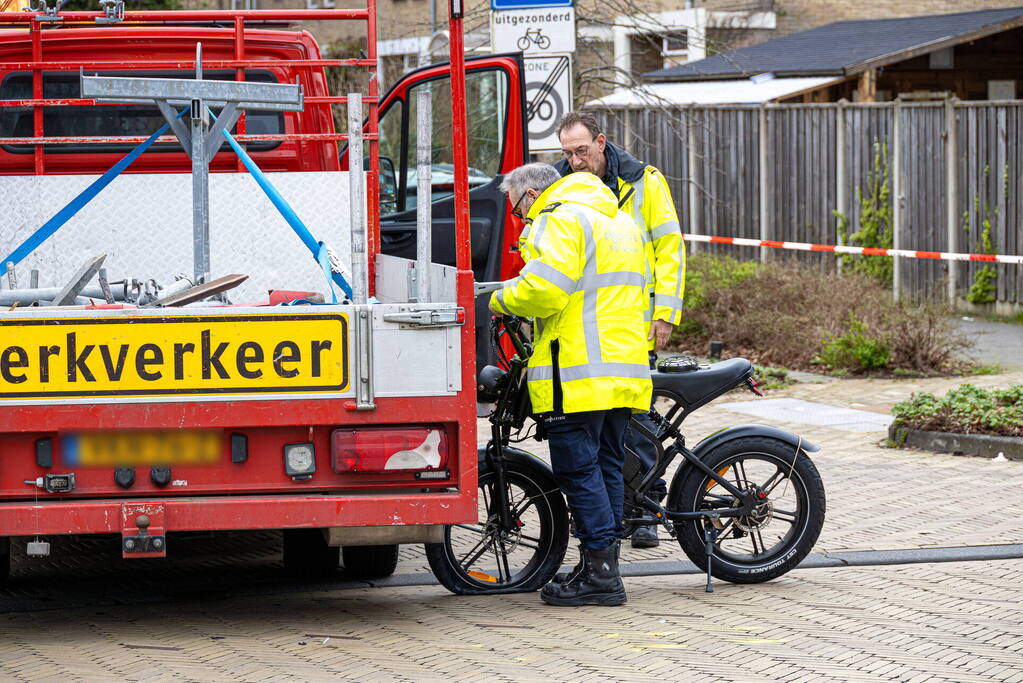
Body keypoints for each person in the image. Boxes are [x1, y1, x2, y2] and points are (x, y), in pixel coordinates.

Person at [490, 163, 651, 607]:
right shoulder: (617, 219)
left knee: (579, 472)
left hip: (578, 371)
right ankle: (601, 565)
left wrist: (499, 298)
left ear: (529, 195)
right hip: (622, 369)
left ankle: (601, 577)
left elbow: (545, 289)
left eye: (518, 212)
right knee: (608, 467)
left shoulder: (559, 217)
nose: (521, 221)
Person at [554, 111, 687, 549]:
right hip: (586, 326)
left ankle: (645, 505)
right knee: (598, 429)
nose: (575, 160)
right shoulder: (560, 183)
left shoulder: (643, 181)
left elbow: (669, 247)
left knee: (636, 419)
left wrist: (665, 311)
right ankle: (605, 514)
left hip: (634, 323)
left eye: (581, 150)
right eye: (567, 152)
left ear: (601, 142)